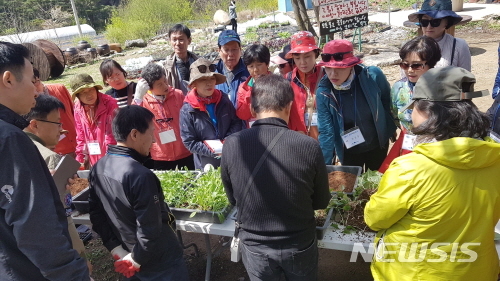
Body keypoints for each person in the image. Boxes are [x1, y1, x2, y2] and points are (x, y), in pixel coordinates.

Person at [364, 66, 499, 281]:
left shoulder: (410, 168)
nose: (412, 114)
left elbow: (375, 218)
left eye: (415, 107)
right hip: (477, 269)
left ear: (429, 112)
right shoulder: (495, 158)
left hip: (417, 272)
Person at [221, 74, 331, 281]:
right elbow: (321, 201)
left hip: (255, 247)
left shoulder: (233, 144)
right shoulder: (309, 146)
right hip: (299, 244)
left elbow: (233, 199)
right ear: (289, 106)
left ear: (253, 110)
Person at [0, 41, 89, 280]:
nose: (37, 91)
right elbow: (35, 228)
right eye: (31, 81)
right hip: (23, 269)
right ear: (8, 79)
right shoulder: (9, 139)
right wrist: (74, 275)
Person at [88, 105, 189, 280]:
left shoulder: (98, 167)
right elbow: (149, 228)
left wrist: (115, 247)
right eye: (151, 133)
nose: (154, 140)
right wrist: (137, 258)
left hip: (128, 251)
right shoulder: (139, 175)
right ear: (134, 134)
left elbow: (96, 213)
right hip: (159, 260)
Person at [22, 94, 87, 263]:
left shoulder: (17, 145)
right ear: (35, 125)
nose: (62, 129)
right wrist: (78, 255)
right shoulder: (49, 158)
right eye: (57, 122)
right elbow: (61, 212)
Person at [316, 39, 396, 171]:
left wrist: (389, 128)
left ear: (351, 65)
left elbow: (386, 101)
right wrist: (325, 166)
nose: (332, 74)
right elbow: (326, 131)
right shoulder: (324, 92)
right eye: (328, 68)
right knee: (354, 188)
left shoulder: (372, 76)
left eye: (338, 68)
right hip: (349, 151)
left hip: (377, 144)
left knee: (377, 183)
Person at [379, 36, 442, 173]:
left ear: (431, 64)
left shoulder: (442, 89)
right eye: (405, 64)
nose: (410, 70)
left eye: (417, 65)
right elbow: (395, 113)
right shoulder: (398, 88)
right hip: (407, 140)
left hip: (435, 147)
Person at [180, 58, 243, 170]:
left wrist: (227, 142)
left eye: (212, 78)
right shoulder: (188, 110)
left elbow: (236, 121)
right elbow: (189, 142)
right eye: (203, 79)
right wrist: (214, 150)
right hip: (205, 162)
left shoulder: (223, 99)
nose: (209, 83)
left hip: (229, 155)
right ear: (194, 84)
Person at [133, 62, 194, 170]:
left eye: (165, 81)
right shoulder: (144, 101)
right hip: (160, 156)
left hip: (184, 152)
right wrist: (137, 98)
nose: (165, 86)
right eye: (159, 84)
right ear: (150, 88)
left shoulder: (178, 95)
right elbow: (132, 119)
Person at [407, 0, 471, 71]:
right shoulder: (411, 47)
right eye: (425, 21)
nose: (429, 26)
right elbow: (405, 79)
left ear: (446, 23)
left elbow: (466, 79)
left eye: (435, 22)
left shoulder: (459, 46)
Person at [71, 73, 118, 167]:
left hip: (111, 157)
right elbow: (80, 136)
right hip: (94, 158)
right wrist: (80, 158)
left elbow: (111, 135)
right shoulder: (77, 108)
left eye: (91, 90)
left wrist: (109, 158)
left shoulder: (110, 104)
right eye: (83, 92)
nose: (89, 95)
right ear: (78, 96)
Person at [285, 31, 325, 138]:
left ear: (316, 54)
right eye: (297, 58)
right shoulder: (287, 80)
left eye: (307, 56)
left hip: (324, 139)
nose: (302, 62)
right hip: (299, 140)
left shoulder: (326, 77)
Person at [33, 68, 77, 157]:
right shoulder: (30, 103)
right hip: (57, 152)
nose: (35, 87)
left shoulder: (59, 89)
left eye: (36, 82)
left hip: (77, 143)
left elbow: (75, 112)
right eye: (31, 83)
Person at [235, 44, 271, 124]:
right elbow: (242, 115)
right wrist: (249, 95)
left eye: (259, 65)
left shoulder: (277, 84)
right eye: (251, 66)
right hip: (254, 132)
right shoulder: (243, 88)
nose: (255, 70)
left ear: (267, 64)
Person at [215, 30, 250, 107]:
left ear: (240, 49)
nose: (230, 54)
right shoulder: (213, 73)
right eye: (226, 50)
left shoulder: (249, 70)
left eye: (234, 49)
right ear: (219, 51)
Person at [163, 24, 199, 95]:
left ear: (189, 40)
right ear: (170, 41)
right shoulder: (166, 67)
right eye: (174, 40)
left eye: (181, 39)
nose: (177, 43)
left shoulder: (198, 62)